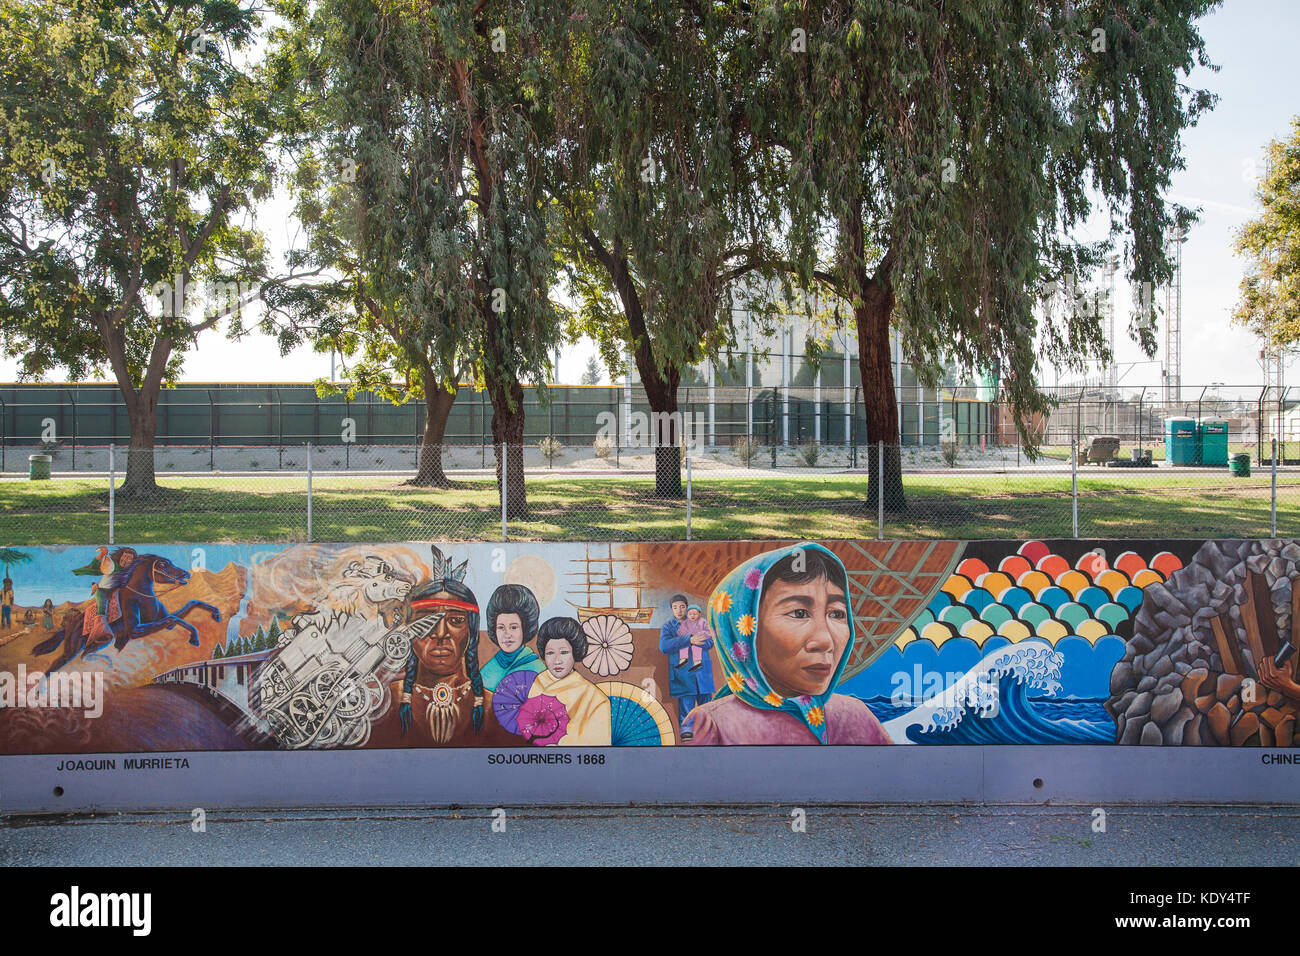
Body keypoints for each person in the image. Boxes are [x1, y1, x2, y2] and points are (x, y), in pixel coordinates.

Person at [684, 542, 892, 746]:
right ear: (741, 630)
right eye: (799, 613)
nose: (825, 641)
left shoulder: (855, 717)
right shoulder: (710, 725)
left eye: (836, 613)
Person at [368, 547, 519, 748]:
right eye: (426, 621)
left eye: (456, 620)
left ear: (471, 633)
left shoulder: (494, 708)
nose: (440, 633)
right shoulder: (383, 704)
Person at [526, 617, 611, 746]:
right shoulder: (538, 683)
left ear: (575, 653)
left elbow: (598, 746)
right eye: (550, 653)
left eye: (564, 652)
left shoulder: (596, 699)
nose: (557, 660)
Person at [659, 593, 714, 739]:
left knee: (706, 705)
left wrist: (699, 640)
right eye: (675, 607)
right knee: (686, 705)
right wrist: (689, 639)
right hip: (683, 673)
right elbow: (664, 646)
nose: (679, 610)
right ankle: (686, 733)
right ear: (671, 609)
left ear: (687, 608)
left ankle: (707, 731)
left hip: (702, 672)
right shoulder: (669, 627)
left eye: (682, 607)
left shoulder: (699, 622)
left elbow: (710, 643)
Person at [480, 584, 546, 692]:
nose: (507, 634)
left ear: (524, 629)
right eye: (501, 627)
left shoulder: (537, 670)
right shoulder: (488, 668)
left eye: (513, 627)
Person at [674, 604, 713, 671]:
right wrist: (685, 636)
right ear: (687, 615)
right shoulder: (685, 622)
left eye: (694, 614)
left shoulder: (703, 621)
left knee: (696, 647)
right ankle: (683, 659)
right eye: (690, 614)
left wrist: (701, 635)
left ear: (699, 614)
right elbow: (681, 630)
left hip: (699, 638)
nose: (692, 616)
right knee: (684, 646)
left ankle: (697, 662)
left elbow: (709, 631)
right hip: (689, 639)